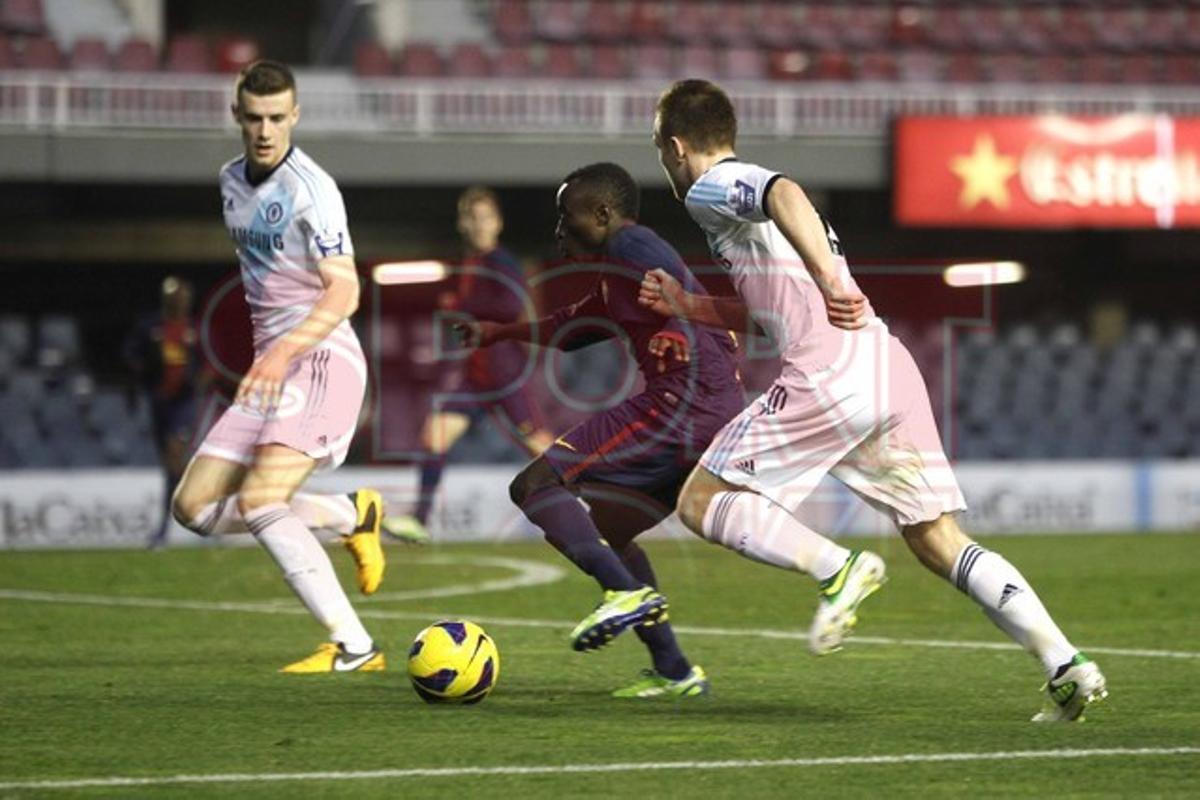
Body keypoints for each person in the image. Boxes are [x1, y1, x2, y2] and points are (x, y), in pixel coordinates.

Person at [638, 79, 1107, 722]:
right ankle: (1064, 663)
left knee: (699, 500)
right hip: (884, 367)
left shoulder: (711, 184)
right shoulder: (749, 220)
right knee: (937, 539)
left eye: (659, 149)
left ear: (675, 145)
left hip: (829, 373)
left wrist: (830, 279)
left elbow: (783, 191)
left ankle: (837, 568)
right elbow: (773, 312)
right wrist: (690, 305)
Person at [461, 163, 745, 697]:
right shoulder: (618, 276)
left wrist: (676, 329)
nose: (559, 230)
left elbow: (675, 289)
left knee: (535, 484)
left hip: (680, 404)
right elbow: (568, 330)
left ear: (602, 213)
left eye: (566, 217)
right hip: (708, 410)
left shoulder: (633, 244)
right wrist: (498, 332)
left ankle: (623, 592)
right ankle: (675, 671)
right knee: (611, 531)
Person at [169, 60, 387, 673]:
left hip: (319, 359)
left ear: (295, 116)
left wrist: (283, 354)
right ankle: (350, 513)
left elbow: (345, 291)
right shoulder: (229, 181)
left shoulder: (312, 190)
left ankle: (355, 646)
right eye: (254, 118)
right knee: (194, 509)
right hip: (273, 368)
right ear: (237, 117)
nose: (265, 131)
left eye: (276, 118)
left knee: (263, 499)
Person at [385, 186, 554, 542]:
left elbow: (511, 305)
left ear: (498, 223)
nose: (479, 225)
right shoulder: (472, 263)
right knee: (433, 436)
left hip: (505, 373)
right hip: (476, 378)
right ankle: (419, 520)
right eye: (472, 218)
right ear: (463, 223)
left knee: (541, 447)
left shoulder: (500, 261)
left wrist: (461, 306)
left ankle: (599, 509)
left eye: (485, 218)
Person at [124, 276, 203, 548]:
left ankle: (176, 521)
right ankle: (189, 511)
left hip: (185, 402)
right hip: (160, 402)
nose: (181, 303)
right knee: (171, 466)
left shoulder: (195, 329)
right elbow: (131, 354)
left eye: (184, 298)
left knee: (174, 452)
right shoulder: (151, 327)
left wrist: (201, 379)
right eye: (176, 298)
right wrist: (143, 372)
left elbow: (209, 359)